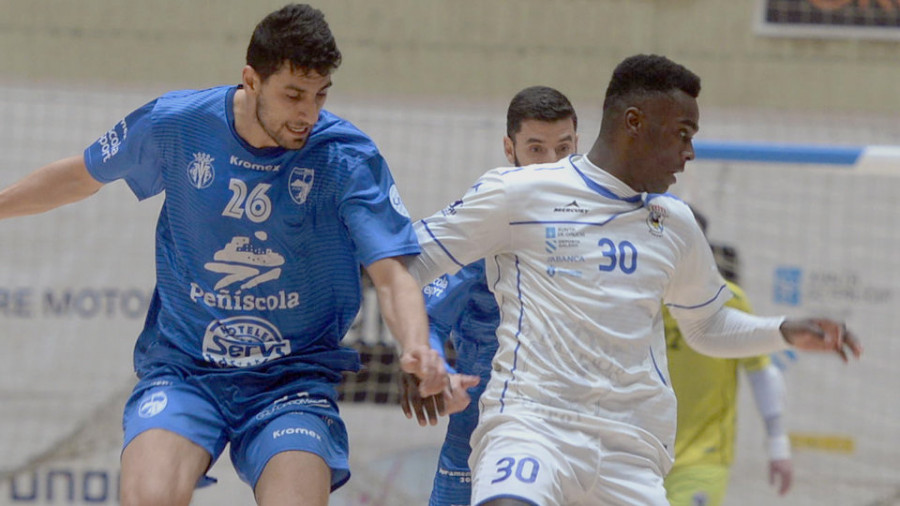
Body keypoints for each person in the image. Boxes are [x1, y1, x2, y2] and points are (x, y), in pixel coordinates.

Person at [0, 4, 447, 506]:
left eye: (320, 96)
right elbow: (80, 176)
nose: (308, 113)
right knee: (147, 497)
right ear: (251, 80)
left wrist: (417, 346)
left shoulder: (346, 156)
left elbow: (392, 274)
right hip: (186, 368)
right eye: (293, 95)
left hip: (291, 379)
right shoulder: (178, 124)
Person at [406, 54, 861, 506]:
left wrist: (782, 331)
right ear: (634, 122)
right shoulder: (518, 193)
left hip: (631, 449)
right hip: (533, 427)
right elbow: (406, 265)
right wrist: (417, 353)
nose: (690, 152)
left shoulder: (676, 223)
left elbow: (708, 327)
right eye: (683, 134)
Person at [400, 86, 579, 506]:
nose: (551, 164)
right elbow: (426, 313)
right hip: (481, 410)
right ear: (509, 148)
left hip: (570, 415)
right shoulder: (487, 220)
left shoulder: (594, 217)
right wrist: (431, 364)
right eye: (536, 149)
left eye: (563, 148)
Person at [664, 207, 792, 506]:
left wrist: (778, 443)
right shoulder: (639, 295)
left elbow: (761, 372)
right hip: (636, 456)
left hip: (701, 458)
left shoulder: (728, 298)